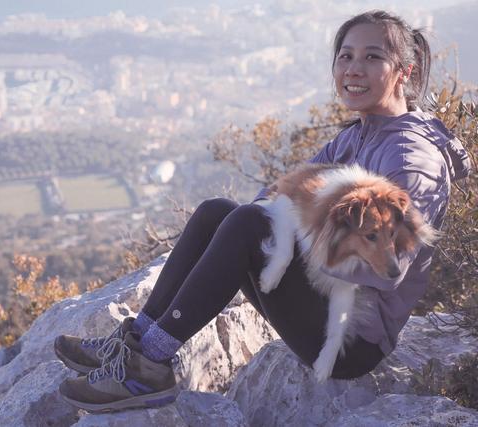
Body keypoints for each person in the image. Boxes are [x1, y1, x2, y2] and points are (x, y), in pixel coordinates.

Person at [54, 10, 471, 412]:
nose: (353, 69)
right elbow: (286, 191)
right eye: (345, 56)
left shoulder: (411, 158)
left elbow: (389, 266)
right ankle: (138, 343)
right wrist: (264, 224)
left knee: (253, 224)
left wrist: (282, 237)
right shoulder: (362, 134)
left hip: (351, 339)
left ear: (405, 72)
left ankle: (148, 368)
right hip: (322, 301)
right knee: (220, 212)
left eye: (372, 57)